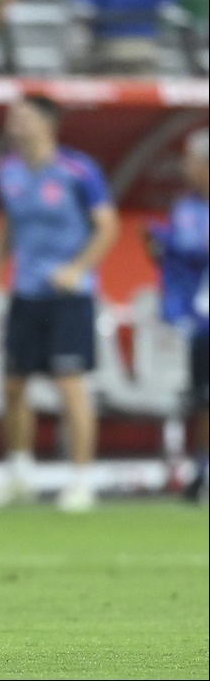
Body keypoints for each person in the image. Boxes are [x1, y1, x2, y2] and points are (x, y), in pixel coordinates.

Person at [0, 94, 119, 513]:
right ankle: (19, 471)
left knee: (70, 384)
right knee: (13, 385)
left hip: (70, 295)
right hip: (25, 291)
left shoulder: (78, 170)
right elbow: (6, 226)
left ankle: (81, 479)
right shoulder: (7, 171)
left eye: (24, 116)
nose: (14, 123)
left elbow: (106, 227)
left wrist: (76, 269)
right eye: (11, 116)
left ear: (48, 124)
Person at [143, 127, 208, 503]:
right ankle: (202, 470)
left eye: (192, 162)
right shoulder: (184, 207)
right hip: (199, 323)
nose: (186, 168)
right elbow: (177, 262)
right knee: (202, 399)